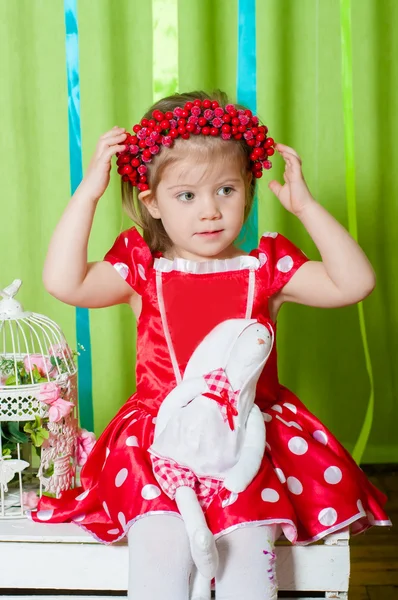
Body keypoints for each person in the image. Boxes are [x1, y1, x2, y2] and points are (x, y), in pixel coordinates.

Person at [32, 91, 391, 600]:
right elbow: (63, 281)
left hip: (248, 438)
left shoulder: (265, 268)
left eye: (226, 189)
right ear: (152, 203)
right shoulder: (143, 269)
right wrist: (87, 195)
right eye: (186, 196)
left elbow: (354, 283)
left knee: (246, 548)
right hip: (157, 440)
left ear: (247, 188)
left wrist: (306, 208)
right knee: (161, 547)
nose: (210, 212)